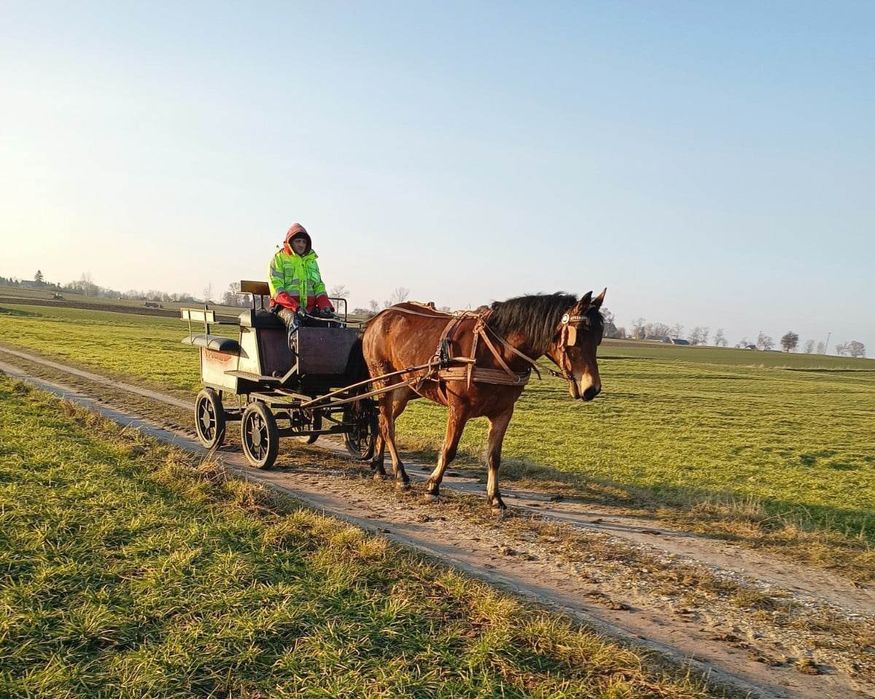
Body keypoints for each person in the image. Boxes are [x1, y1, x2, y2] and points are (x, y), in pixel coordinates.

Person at [268, 223, 334, 336]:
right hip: (284, 308)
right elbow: (276, 289)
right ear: (290, 242)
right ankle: (295, 353)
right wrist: (295, 307)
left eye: (304, 242)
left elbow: (318, 286)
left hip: (308, 309)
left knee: (334, 323)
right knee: (295, 321)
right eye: (298, 241)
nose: (301, 244)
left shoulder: (312, 262)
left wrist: (325, 306)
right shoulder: (279, 259)